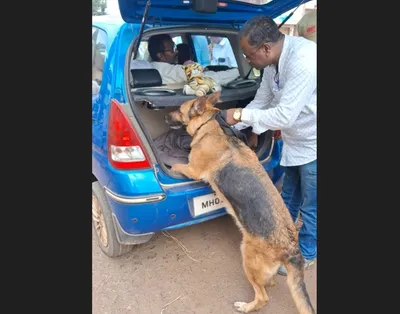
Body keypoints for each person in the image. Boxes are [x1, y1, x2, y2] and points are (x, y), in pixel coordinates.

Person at [223, 15, 317, 276]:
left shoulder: (305, 60)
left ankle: (307, 252)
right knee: (289, 195)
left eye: (248, 55)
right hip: (296, 139)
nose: (247, 61)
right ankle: (280, 242)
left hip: (315, 142)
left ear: (265, 48)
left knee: (312, 204)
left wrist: (240, 114)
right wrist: (239, 126)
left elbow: (284, 114)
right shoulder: (271, 65)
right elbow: (262, 101)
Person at [146, 34, 239, 86]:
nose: (177, 52)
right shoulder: (178, 71)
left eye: (175, 47)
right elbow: (213, 78)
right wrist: (238, 72)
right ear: (160, 56)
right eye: (173, 49)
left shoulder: (148, 70)